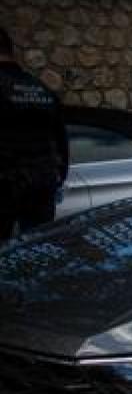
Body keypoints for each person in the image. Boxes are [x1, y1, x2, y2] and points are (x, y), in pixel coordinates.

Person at [0, 27, 68, 241]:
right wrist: (56, 178)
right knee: (39, 247)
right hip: (42, 183)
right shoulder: (41, 88)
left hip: (5, 186)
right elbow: (61, 143)